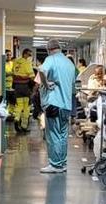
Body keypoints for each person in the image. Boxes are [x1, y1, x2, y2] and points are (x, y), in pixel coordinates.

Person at [38, 39, 77, 173]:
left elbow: (41, 70)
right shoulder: (70, 64)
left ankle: (55, 164)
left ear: (49, 50)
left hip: (54, 103)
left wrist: (46, 83)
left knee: (53, 134)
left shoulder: (51, 59)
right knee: (62, 135)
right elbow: (73, 84)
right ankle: (62, 163)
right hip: (67, 105)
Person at [9, 48, 35, 133]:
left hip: (17, 87)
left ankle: (16, 120)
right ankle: (24, 126)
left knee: (19, 105)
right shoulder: (27, 63)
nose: (30, 57)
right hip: (25, 87)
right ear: (25, 54)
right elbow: (32, 76)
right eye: (29, 55)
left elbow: (13, 73)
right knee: (26, 106)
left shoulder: (16, 62)